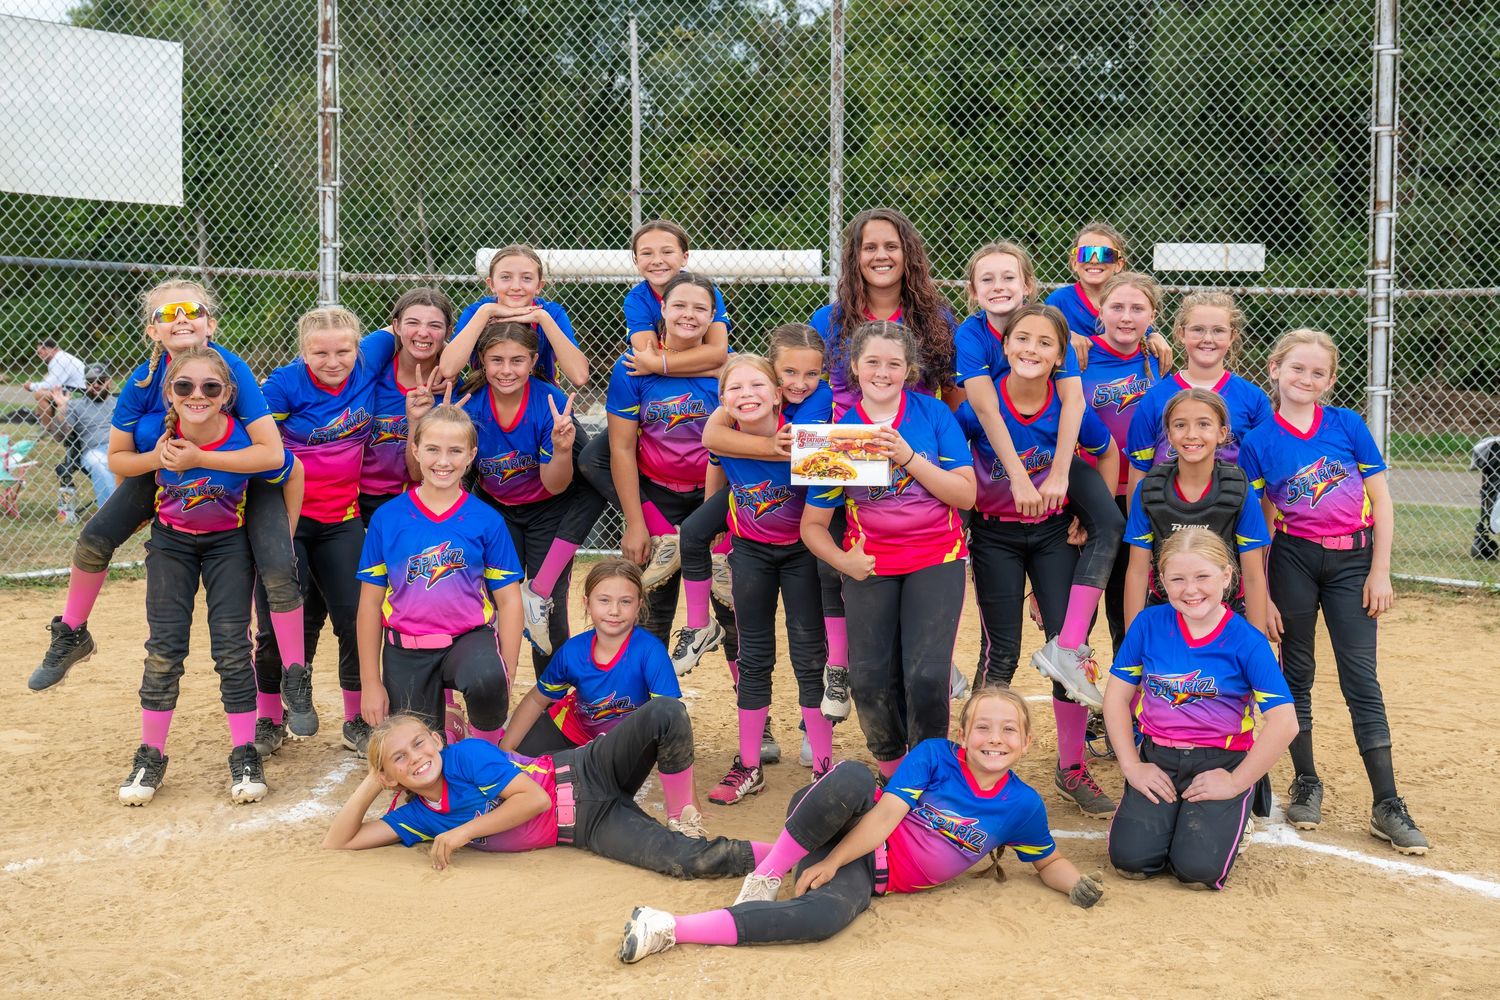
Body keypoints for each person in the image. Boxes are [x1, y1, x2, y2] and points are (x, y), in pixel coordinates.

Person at [617, 686, 1104, 963]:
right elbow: (886, 814)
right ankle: (768, 873)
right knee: (852, 775)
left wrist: (1076, 883)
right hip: (834, 816)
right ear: (962, 734)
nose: (994, 739)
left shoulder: (1023, 805)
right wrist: (831, 860)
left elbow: (1049, 862)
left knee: (822, 918)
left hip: (869, 872)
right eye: (983, 727)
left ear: (1027, 742)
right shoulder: (937, 755)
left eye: (1008, 730)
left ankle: (668, 926)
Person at [28, 281, 299, 694]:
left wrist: (199, 458)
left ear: (210, 323)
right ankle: (72, 632)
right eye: (168, 314)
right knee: (94, 538)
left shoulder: (231, 370)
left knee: (275, 573)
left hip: (239, 476)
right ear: (153, 331)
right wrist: (153, 472)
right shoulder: (143, 381)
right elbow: (118, 457)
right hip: (165, 472)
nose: (181, 319)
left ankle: (290, 680)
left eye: (192, 310)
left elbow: (271, 453)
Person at [1239, 328, 1428, 854]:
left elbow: (1381, 501)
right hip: (1293, 559)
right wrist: (1264, 595)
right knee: (1297, 671)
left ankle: (1387, 802)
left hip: (1354, 560)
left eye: (1318, 372)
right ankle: (1306, 781)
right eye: (1297, 368)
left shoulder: (1346, 424)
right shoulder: (1258, 442)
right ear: (1275, 369)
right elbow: (1261, 521)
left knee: (1360, 677)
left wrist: (1380, 571)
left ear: (1329, 381)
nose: (1306, 378)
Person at [520, 221, 731, 627]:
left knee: (730, 610)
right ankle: (658, 537)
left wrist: (684, 364)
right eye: (646, 253)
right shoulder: (637, 299)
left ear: (685, 257)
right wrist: (636, 523)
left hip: (709, 480)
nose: (657, 260)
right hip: (656, 469)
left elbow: (718, 352)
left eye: (667, 251)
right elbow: (643, 358)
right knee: (593, 461)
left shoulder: (706, 293)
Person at [955, 303, 1122, 817]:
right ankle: (972, 766)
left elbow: (1107, 451)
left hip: (1053, 536)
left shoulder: (1067, 406)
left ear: (1060, 356)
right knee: (999, 651)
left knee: (1066, 649)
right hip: (995, 535)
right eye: (1022, 339)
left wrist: (1087, 513)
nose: (1031, 349)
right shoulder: (980, 406)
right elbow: (951, 461)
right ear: (1005, 346)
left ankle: (1071, 766)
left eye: (1045, 343)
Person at [118, 348, 302, 806]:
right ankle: (150, 756)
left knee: (232, 649)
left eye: (210, 387)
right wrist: (149, 472)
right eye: (184, 386)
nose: (196, 395)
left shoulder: (244, 442)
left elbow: (290, 469)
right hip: (171, 546)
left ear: (227, 395)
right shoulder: (156, 437)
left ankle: (245, 753)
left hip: (228, 546)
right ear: (169, 393)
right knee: (164, 650)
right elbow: (124, 470)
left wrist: (283, 539)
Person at [801, 321, 975, 779]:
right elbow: (812, 526)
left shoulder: (932, 415)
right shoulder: (841, 434)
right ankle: (894, 772)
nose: (883, 372)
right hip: (871, 564)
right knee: (870, 681)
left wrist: (907, 456)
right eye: (873, 362)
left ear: (909, 369)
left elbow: (965, 495)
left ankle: (930, 772)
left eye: (894, 363)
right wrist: (844, 561)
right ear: (855, 367)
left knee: (927, 677)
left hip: (937, 557)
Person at [324, 699, 762, 876]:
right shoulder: (418, 816)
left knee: (664, 713)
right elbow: (340, 842)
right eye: (399, 758)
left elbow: (533, 799)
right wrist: (374, 779)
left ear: (438, 741)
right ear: (390, 777)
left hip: (587, 769)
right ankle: (782, 855)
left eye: (419, 743)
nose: (415, 758)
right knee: (691, 861)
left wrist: (462, 833)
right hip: (588, 826)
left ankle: (682, 815)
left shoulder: (466, 755)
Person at [1104, 528, 1298, 888]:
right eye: (1178, 579)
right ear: (1162, 581)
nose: (1190, 590)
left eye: (1203, 577)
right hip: (1159, 757)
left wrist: (1236, 781)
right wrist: (1132, 766)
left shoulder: (1247, 641)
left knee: (1196, 871)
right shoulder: (1148, 624)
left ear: (1226, 576)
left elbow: (1285, 723)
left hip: (1220, 761)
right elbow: (1115, 698)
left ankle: (1239, 811)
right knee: (1131, 861)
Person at [253, 306, 397, 756]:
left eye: (343, 352)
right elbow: (255, 444)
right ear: (303, 351)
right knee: (277, 622)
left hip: (342, 519)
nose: (333, 362)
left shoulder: (373, 355)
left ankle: (356, 718)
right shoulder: (283, 385)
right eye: (320, 353)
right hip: (288, 521)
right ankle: (269, 717)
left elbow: (413, 330)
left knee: (356, 619)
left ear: (358, 348)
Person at [692, 355, 832, 805]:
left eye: (757, 386)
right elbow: (714, 460)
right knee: (753, 657)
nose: (746, 394)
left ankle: (823, 767)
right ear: (723, 401)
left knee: (809, 656)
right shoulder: (727, 437)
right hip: (751, 552)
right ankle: (749, 765)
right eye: (734, 389)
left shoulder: (803, 434)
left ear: (777, 395)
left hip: (802, 553)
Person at [355, 402, 522, 751]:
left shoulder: (487, 520)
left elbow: (509, 601)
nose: (443, 461)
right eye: (432, 449)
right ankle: (448, 722)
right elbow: (369, 605)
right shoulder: (388, 518)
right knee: (416, 751)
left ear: (471, 456)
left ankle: (484, 756)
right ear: (415, 450)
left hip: (467, 639)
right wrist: (370, 683)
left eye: (455, 451)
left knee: (488, 680)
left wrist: (506, 670)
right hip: (407, 648)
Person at [597, 273, 738, 656]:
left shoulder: (731, 372)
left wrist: (716, 521)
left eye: (700, 308)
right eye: (679, 305)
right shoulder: (633, 368)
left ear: (713, 316)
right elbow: (621, 448)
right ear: (662, 308)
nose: (688, 315)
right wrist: (636, 523)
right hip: (659, 496)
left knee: (731, 613)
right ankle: (650, 693)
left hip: (715, 497)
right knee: (651, 612)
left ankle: (749, 697)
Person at [451, 320, 578, 664]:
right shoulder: (471, 403)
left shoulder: (549, 402)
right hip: (497, 509)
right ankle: (494, 688)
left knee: (548, 610)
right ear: (482, 360)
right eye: (497, 360)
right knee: (495, 603)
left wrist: (562, 449)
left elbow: (555, 484)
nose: (506, 370)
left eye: (517, 360)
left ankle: (551, 696)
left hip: (547, 509)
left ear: (534, 361)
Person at [501, 559, 680, 760]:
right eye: (604, 600)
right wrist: (506, 750)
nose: (614, 611)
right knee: (518, 765)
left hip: (621, 746)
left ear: (639, 605)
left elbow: (671, 718)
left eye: (625, 601)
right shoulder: (573, 651)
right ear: (587, 603)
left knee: (572, 775)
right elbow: (536, 700)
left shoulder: (650, 652)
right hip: (570, 730)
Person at [1123, 388, 1270, 631]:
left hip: (1228, 611)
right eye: (1180, 425)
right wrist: (1133, 640)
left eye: (1203, 424)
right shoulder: (1149, 490)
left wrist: (1258, 643)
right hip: (1166, 608)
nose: (1191, 434)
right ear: (1169, 435)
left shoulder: (1239, 490)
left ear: (1222, 433)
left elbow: (1253, 575)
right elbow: (1137, 572)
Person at [1072, 272, 1163, 659]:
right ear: (1100, 309)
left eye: (1137, 308)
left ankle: (1126, 692)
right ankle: (1073, 687)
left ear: (1152, 316)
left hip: (1141, 495)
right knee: (1078, 613)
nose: (1126, 317)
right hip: (1089, 496)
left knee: (1128, 607)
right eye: (1117, 307)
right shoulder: (1078, 355)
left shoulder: (1156, 358)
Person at [1125, 291, 1271, 498]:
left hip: (1232, 509)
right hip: (1167, 508)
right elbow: (1139, 469)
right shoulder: (1156, 398)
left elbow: (1266, 471)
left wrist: (1258, 520)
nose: (1207, 339)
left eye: (1218, 331)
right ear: (1181, 334)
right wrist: (1136, 520)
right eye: (1197, 329)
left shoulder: (1252, 398)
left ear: (1232, 336)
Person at [358, 288, 456, 522]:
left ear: (448, 332)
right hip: (359, 496)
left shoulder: (453, 388)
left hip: (420, 498)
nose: (423, 332)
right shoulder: (372, 370)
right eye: (413, 322)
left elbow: (419, 474)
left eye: (434, 325)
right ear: (396, 326)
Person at [442, 244, 589, 388]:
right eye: (506, 277)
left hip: (543, 399)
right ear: (491, 284)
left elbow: (579, 376)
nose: (516, 286)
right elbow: (448, 369)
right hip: (484, 398)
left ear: (539, 285)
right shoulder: (476, 312)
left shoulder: (552, 314)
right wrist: (486, 312)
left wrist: (542, 318)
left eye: (527, 278)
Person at [1044, 223, 1172, 371]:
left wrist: (1154, 336)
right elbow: (1042, 339)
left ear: (1119, 264)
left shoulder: (1131, 301)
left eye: (1104, 254)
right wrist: (1066, 336)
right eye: (1085, 253)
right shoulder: (1059, 300)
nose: (1094, 260)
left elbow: (1139, 336)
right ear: (1074, 262)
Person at [37, 362, 118, 523]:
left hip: (120, 449)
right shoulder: (75, 405)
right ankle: (111, 515)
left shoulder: (120, 403)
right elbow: (60, 436)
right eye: (90, 382)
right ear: (85, 384)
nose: (95, 385)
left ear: (109, 382)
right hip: (94, 450)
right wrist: (62, 407)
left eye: (100, 381)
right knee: (99, 462)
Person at [24, 338, 86, 403]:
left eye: (41, 351)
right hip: (76, 390)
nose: (40, 355)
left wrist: (30, 386)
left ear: (53, 349)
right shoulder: (61, 357)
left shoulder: (59, 359)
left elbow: (50, 385)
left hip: (78, 393)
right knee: (43, 394)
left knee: (39, 394)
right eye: (39, 353)